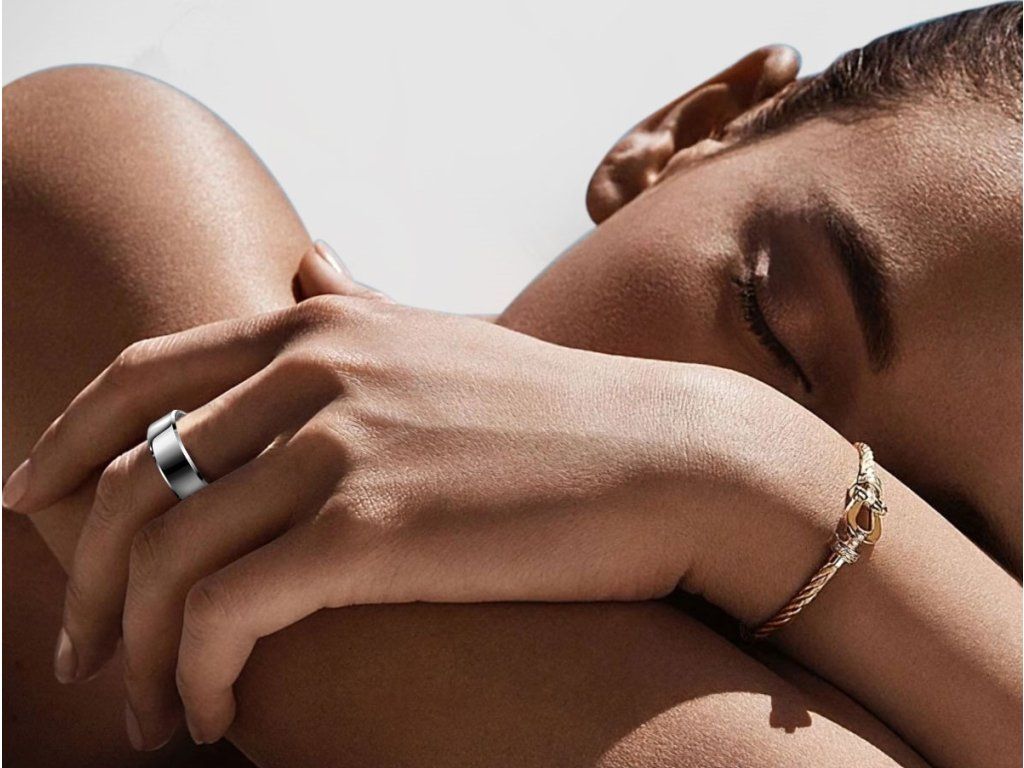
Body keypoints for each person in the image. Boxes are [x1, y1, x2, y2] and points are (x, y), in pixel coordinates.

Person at [3, 3, 1021, 766]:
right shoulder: (109, 207)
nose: (738, 579)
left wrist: (758, 489)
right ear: (696, 126)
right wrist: (730, 458)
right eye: (773, 324)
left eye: (949, 549)